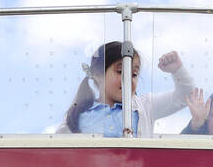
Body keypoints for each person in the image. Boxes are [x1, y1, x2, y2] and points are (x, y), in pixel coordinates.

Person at [59, 42, 193, 137]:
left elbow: (186, 96)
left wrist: (178, 70)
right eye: (120, 71)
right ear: (98, 75)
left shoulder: (146, 106)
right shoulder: (78, 113)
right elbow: (56, 151)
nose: (128, 80)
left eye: (134, 74)